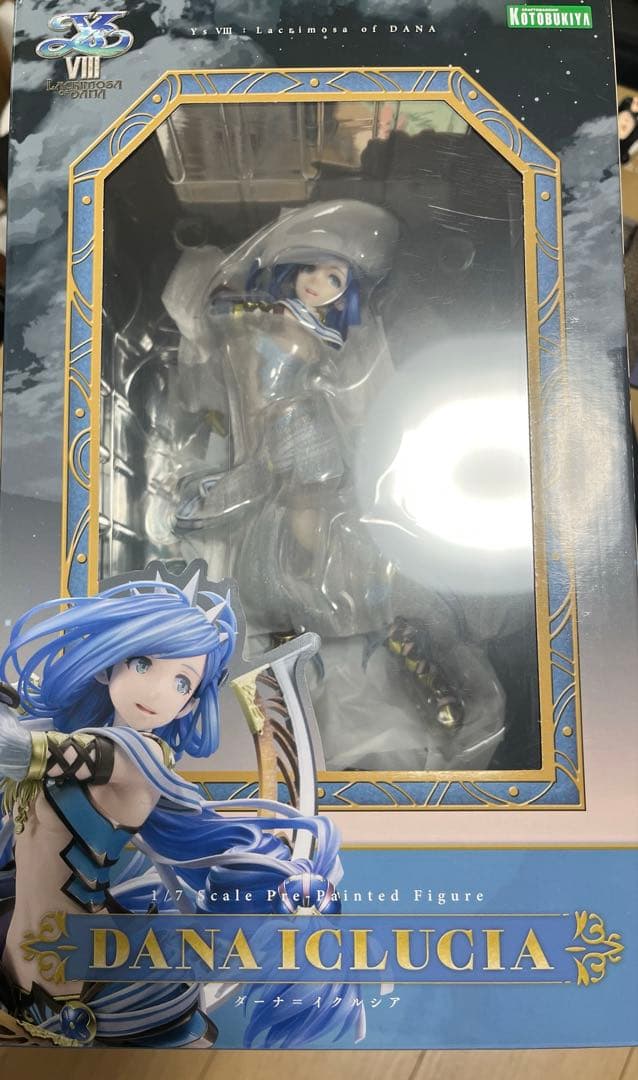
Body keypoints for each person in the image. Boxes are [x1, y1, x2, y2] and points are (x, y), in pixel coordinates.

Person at [0, 568, 359, 1048]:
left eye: (181, 682)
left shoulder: (135, 757)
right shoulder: (68, 738)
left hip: (77, 985)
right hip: (16, 970)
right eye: (143, 664)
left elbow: (14, 749)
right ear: (109, 665)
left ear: (189, 705)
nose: (156, 692)